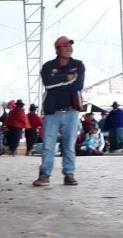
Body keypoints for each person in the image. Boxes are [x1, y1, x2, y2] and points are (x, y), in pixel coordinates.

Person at [33, 36, 85, 187]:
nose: (69, 49)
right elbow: (47, 83)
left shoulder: (78, 65)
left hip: (71, 111)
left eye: (70, 46)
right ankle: (44, 174)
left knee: (69, 144)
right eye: (65, 46)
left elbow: (78, 85)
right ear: (57, 49)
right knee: (48, 145)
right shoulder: (48, 66)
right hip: (52, 112)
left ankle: (69, 173)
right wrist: (68, 78)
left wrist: (58, 81)